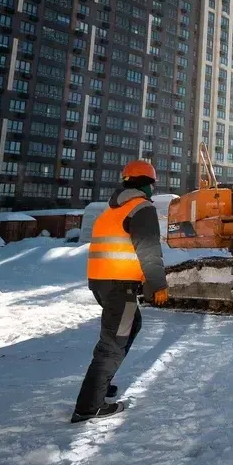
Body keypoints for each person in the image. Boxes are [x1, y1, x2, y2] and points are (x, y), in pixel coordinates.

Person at [71, 160, 170, 424]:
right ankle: (89, 406)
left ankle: (102, 384)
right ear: (146, 184)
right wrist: (158, 285)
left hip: (102, 283)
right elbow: (149, 251)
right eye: (152, 185)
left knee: (130, 326)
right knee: (113, 343)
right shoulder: (142, 209)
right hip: (120, 286)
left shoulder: (112, 209)